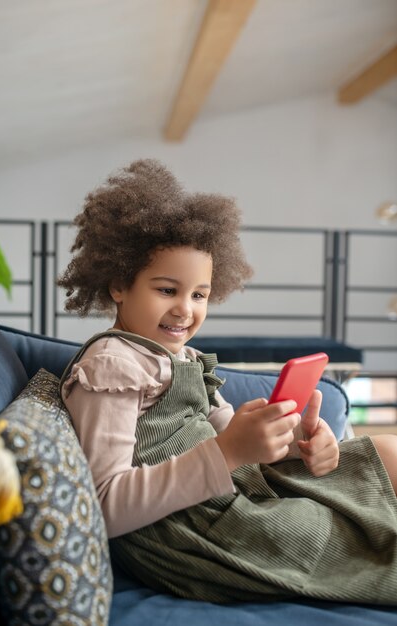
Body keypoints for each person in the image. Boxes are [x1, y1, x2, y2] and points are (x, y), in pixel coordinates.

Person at [58, 159, 397, 604]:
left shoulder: (183, 358)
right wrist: (229, 452)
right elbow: (103, 505)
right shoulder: (111, 365)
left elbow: (225, 429)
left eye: (199, 295)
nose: (186, 309)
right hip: (196, 529)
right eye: (167, 290)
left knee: (388, 448)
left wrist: (296, 442)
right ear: (120, 285)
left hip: (234, 486)